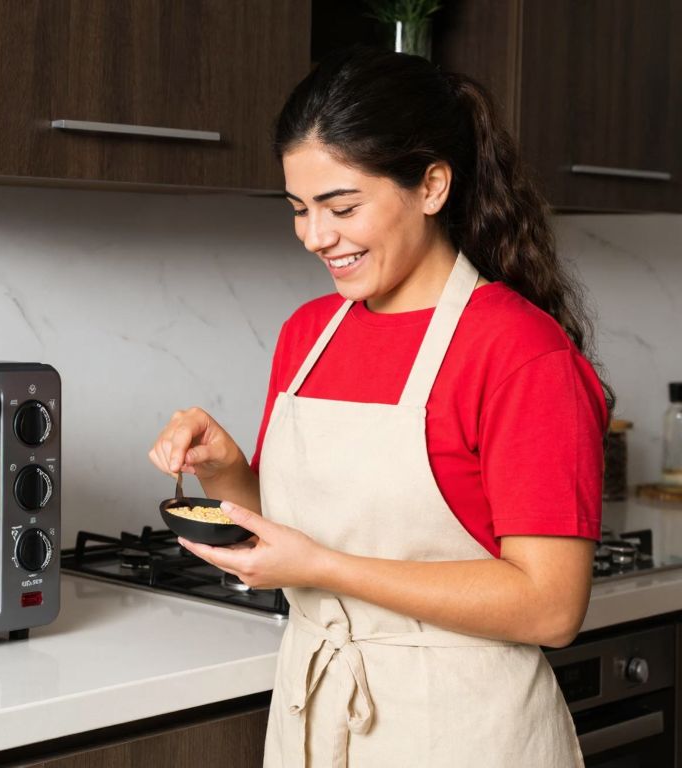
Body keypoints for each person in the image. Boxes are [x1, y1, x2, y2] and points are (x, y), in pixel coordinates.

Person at [148, 47, 608, 767]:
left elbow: (551, 608)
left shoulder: (520, 350)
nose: (315, 236)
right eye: (299, 208)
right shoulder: (309, 335)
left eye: (342, 206)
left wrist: (326, 567)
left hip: (463, 733)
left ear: (431, 186)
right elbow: (297, 535)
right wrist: (227, 470)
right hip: (312, 716)